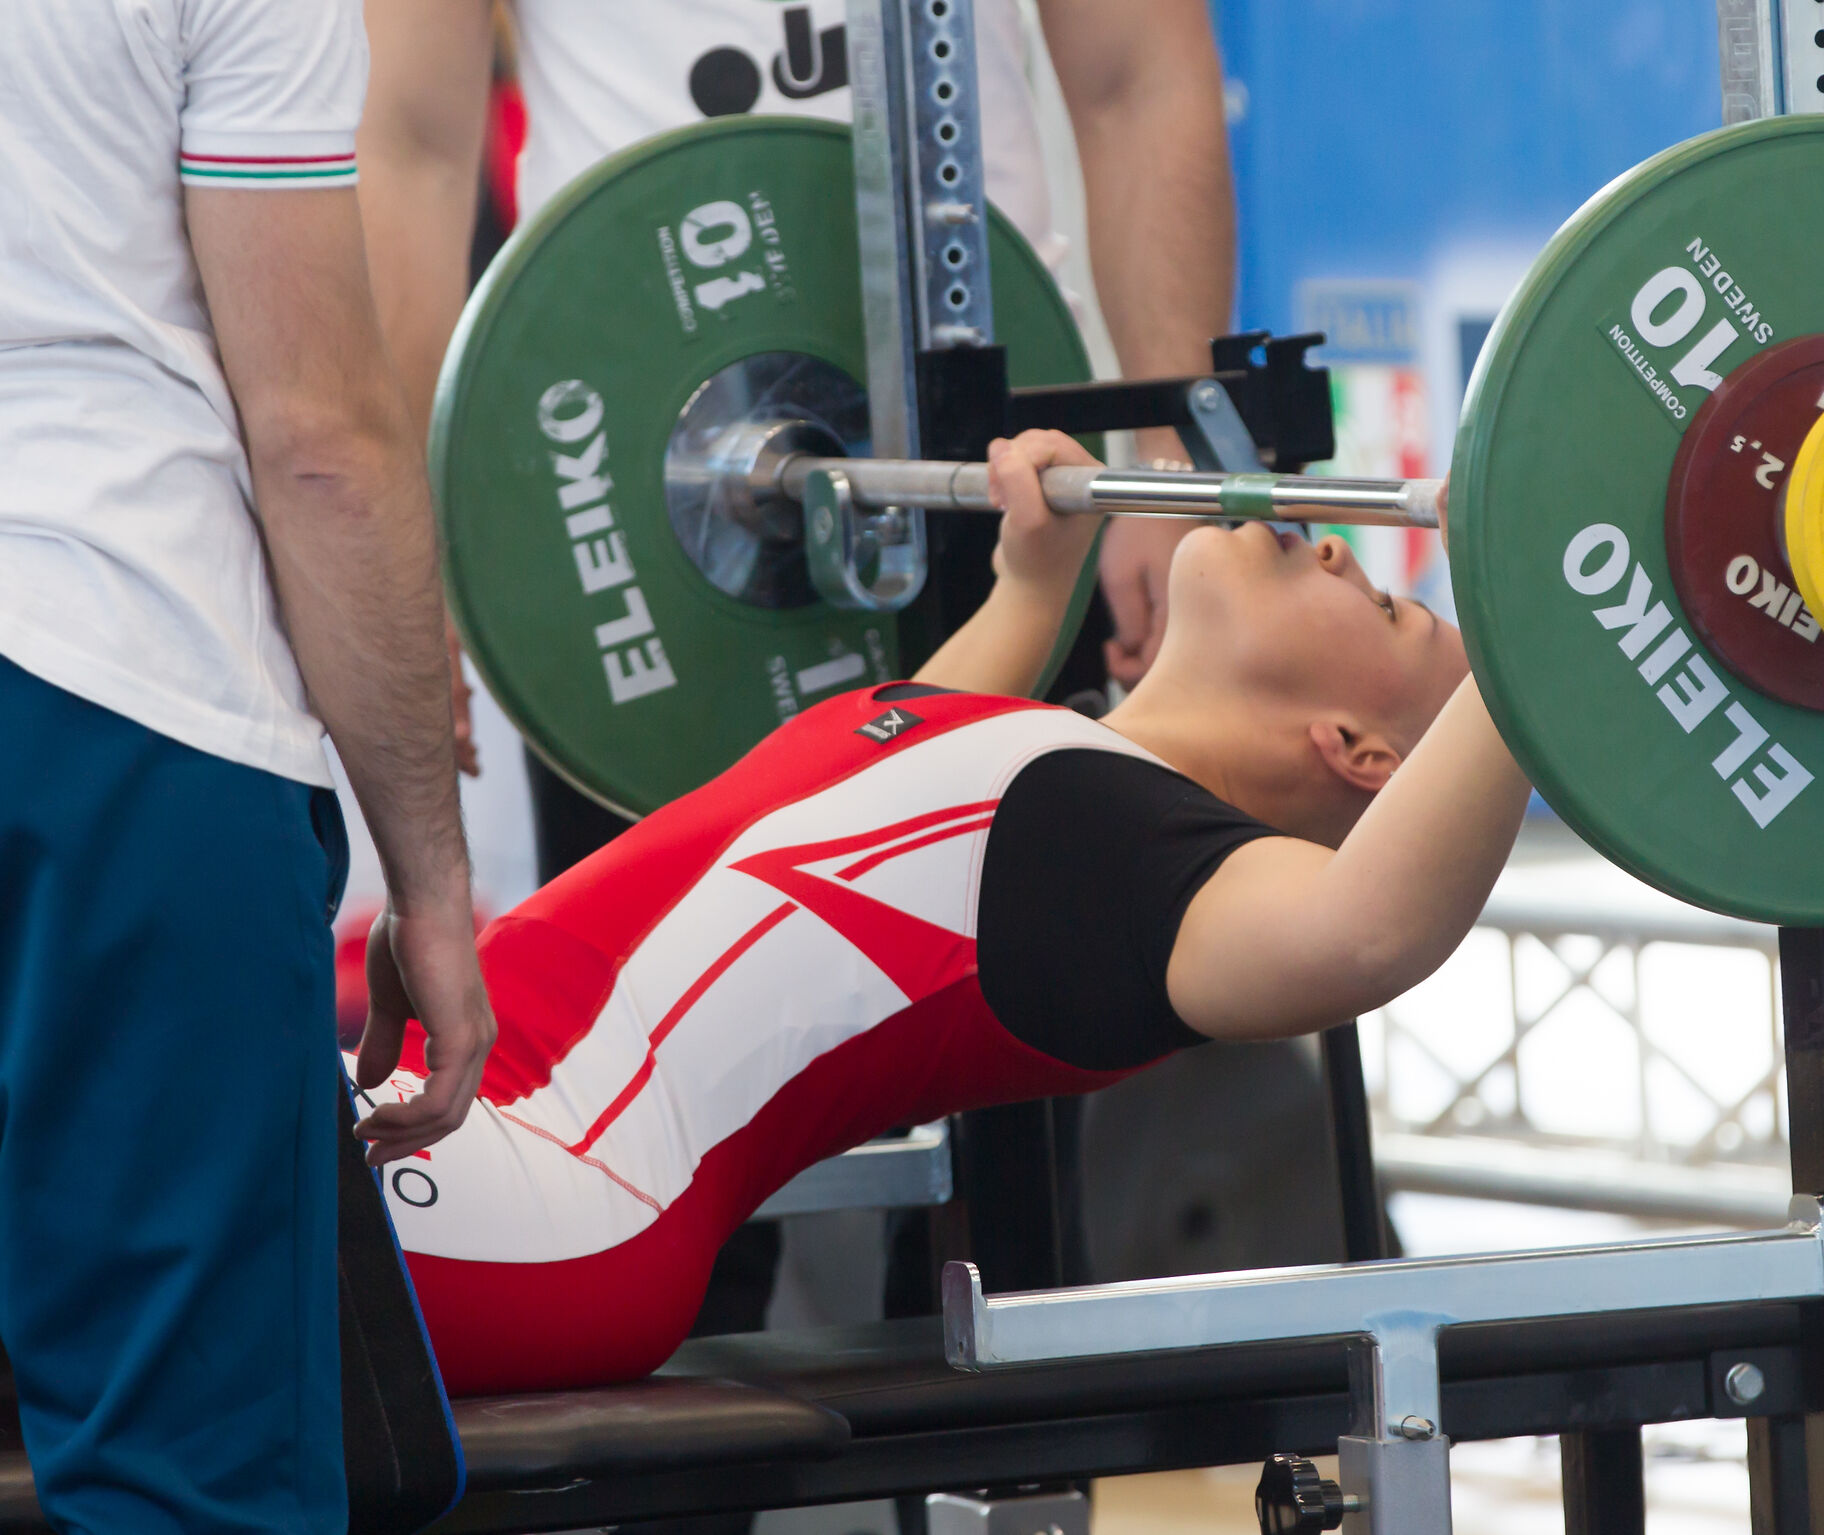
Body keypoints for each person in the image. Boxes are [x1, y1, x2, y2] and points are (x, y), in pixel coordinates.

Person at [358, 432, 1522, 1395]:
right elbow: (935, 743)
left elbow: (1360, 929)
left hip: (550, 1179)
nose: (1331, 541)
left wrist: (1538, 619)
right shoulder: (1023, 755)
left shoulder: (1136, 869)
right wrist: (1039, 571)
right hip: (454, 1106)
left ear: (1360, 752)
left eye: (1387, 607)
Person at [0, 0, 499, 1526]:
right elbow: (322, 438)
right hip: (116, 692)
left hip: (107, 706)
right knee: (184, 1488)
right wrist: (430, 873)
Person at [358, 0, 1236, 781]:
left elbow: (1134, 80)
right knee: (678, 954)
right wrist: (405, 549)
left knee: (1031, 921)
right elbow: (411, 147)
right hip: (619, 496)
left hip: (1009, 466)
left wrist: (1171, 462)